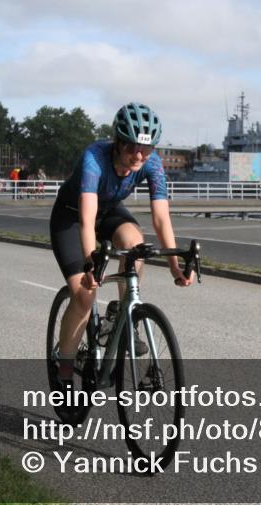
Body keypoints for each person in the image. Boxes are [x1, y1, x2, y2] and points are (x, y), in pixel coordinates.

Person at [50, 102, 193, 384]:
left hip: (109, 211)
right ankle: (64, 368)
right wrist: (91, 264)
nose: (138, 155)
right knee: (85, 295)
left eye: (146, 149)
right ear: (117, 142)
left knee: (135, 244)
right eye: (131, 148)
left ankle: (121, 316)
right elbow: (87, 219)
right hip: (72, 217)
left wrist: (174, 266)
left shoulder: (152, 163)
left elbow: (161, 218)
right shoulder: (94, 157)